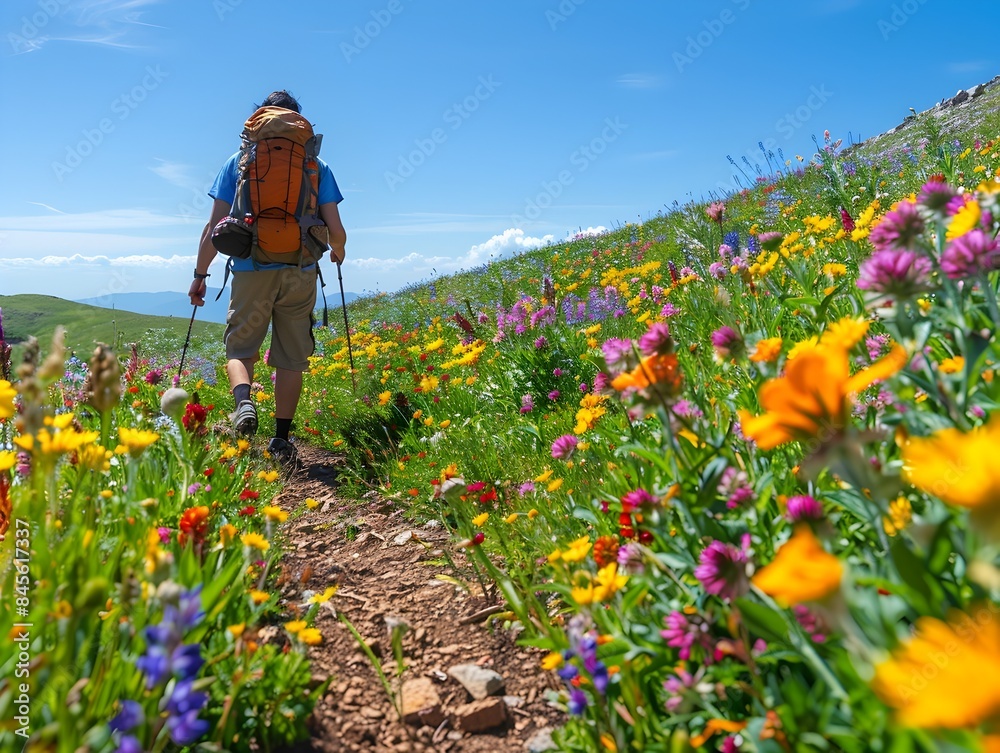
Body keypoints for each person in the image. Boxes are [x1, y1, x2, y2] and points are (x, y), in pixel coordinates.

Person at [189, 90, 347, 465]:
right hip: (299, 270)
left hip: (250, 268)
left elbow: (215, 226)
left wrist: (200, 274)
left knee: (240, 349)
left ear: (258, 121)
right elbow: (337, 231)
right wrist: (337, 252)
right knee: (291, 357)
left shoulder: (239, 162)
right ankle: (281, 440)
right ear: (299, 124)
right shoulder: (316, 167)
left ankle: (244, 404)